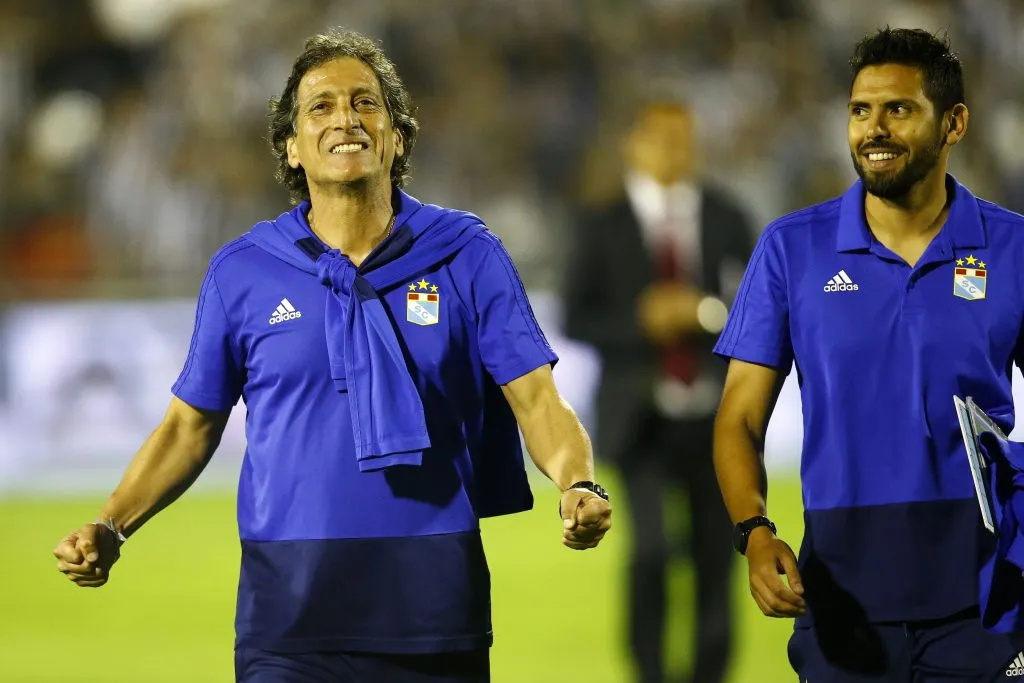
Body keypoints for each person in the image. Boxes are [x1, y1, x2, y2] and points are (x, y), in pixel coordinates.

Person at [52, 28, 612, 683]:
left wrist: (578, 482)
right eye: (320, 106)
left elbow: (537, 398)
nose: (345, 117)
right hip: (288, 617)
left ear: (397, 136)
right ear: (291, 147)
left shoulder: (467, 253)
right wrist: (111, 526)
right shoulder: (243, 271)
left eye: (365, 103)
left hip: (432, 608)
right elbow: (188, 427)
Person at [713, 27, 1024, 682]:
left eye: (899, 109)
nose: (873, 129)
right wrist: (754, 530)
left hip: (986, 604)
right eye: (860, 110)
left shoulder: (1012, 247)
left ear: (954, 123)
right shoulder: (792, 249)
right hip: (841, 602)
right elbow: (739, 416)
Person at [564, 100, 754, 683]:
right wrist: (640, 321)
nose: (676, 150)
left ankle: (707, 676)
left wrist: (704, 313)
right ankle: (649, 674)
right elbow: (575, 317)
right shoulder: (601, 222)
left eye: (684, 138)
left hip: (714, 417)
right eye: (663, 138)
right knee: (649, 551)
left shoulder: (726, 215)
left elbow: (759, 303)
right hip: (637, 418)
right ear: (635, 144)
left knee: (717, 557)